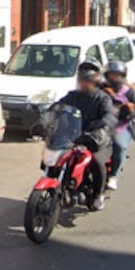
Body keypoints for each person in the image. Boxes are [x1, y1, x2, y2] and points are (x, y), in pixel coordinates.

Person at [57, 59, 117, 211]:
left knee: (96, 161)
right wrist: (44, 120)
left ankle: (98, 195)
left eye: (88, 80)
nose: (84, 83)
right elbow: (57, 107)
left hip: (98, 139)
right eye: (82, 80)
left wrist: (102, 123)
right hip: (75, 137)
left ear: (96, 80)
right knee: (54, 155)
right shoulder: (72, 96)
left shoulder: (102, 98)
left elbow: (110, 115)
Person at [102, 60, 135, 191]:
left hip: (122, 125)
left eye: (117, 75)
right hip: (102, 123)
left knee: (119, 145)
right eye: (112, 75)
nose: (115, 78)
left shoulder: (129, 91)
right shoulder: (100, 89)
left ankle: (114, 175)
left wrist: (128, 112)